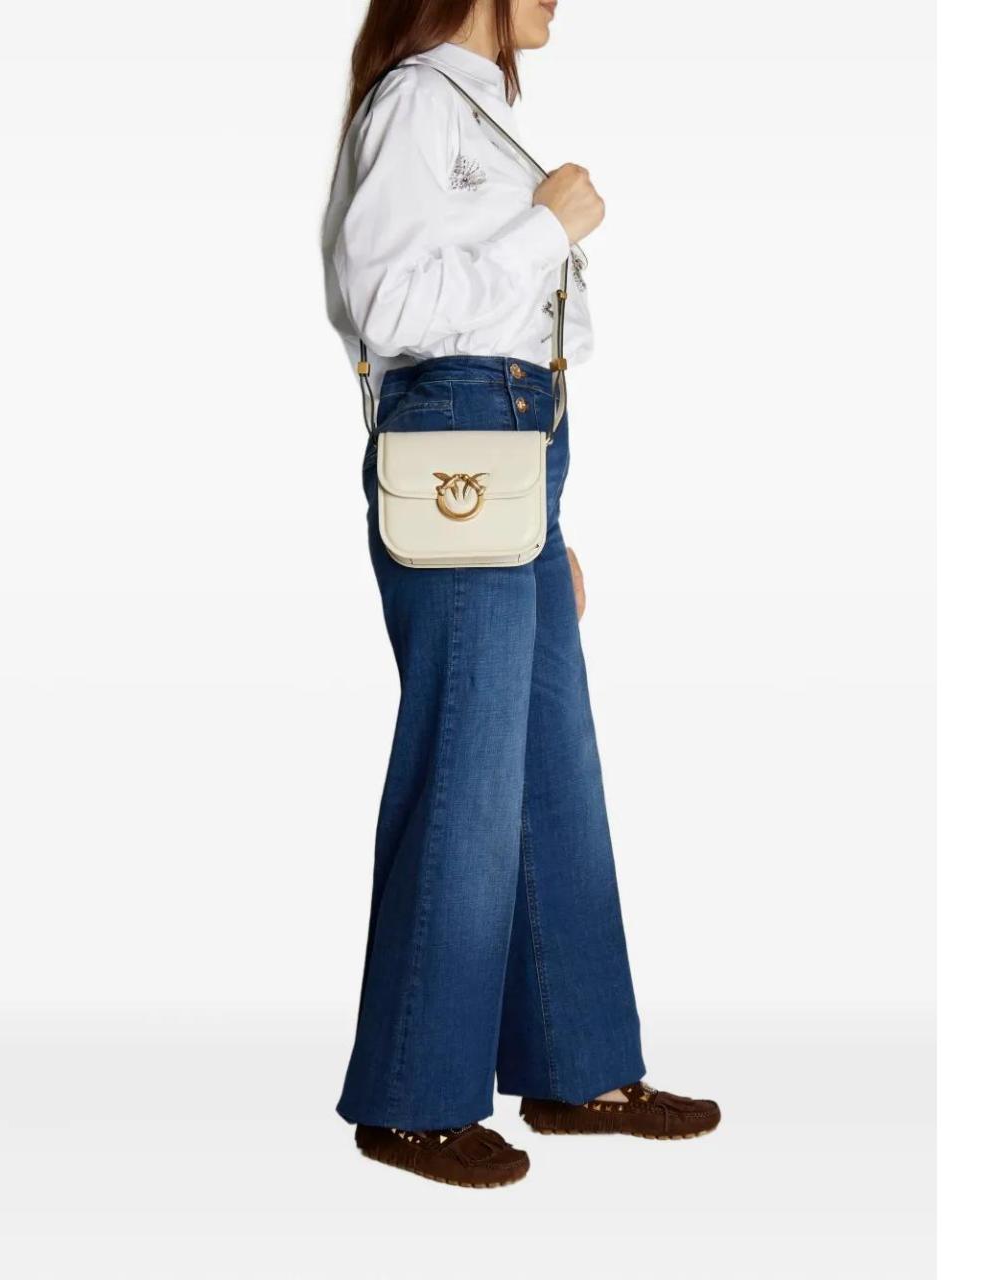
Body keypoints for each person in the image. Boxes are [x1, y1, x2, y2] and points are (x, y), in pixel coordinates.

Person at [320, 0, 720, 1188]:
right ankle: (414, 1099)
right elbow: (387, 309)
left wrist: (546, 520)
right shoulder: (416, 103)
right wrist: (546, 226)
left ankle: (578, 1065)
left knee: (552, 768)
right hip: (458, 444)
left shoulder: (475, 115)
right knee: (467, 771)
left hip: (510, 462)